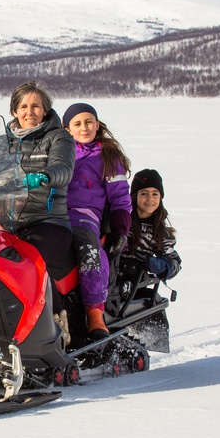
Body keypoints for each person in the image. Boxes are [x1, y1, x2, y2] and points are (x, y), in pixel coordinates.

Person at [0, 81, 76, 338]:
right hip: (6, 221)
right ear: (14, 110)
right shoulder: (0, 144)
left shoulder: (59, 137)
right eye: (23, 106)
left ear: (45, 110)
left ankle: (57, 322)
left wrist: (44, 176)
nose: (29, 111)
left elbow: (63, 168)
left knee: (29, 259)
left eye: (36, 106)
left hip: (48, 222)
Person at [62, 102, 132, 339]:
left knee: (90, 250)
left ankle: (94, 312)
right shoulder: (59, 153)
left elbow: (121, 197)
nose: (84, 128)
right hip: (52, 212)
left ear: (98, 124)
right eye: (78, 123)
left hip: (85, 216)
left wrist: (121, 229)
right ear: (67, 128)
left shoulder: (108, 157)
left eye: (89, 122)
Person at [125, 168, 182, 281]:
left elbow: (175, 263)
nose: (150, 199)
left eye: (155, 194)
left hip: (133, 284)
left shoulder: (160, 233)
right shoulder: (123, 221)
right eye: (144, 193)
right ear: (135, 196)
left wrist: (161, 265)